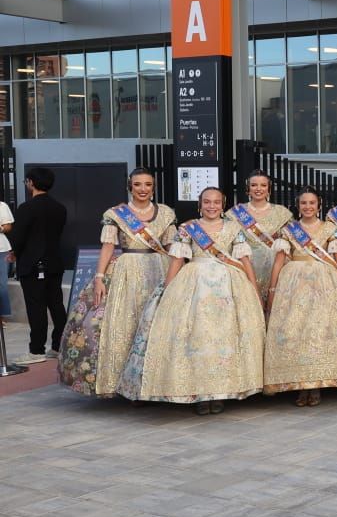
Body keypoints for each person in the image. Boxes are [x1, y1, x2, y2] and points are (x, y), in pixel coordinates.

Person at [116, 187, 264, 414]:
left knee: (223, 340)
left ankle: (220, 392)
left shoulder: (234, 228)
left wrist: (253, 287)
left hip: (229, 286)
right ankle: (199, 394)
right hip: (194, 285)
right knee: (197, 339)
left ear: (222, 205)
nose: (212, 206)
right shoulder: (188, 228)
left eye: (216, 202)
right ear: (200, 204)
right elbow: (177, 260)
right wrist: (168, 288)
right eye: (207, 202)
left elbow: (244, 260)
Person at [58, 169, 176, 397]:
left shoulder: (166, 214)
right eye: (138, 184)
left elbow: (171, 247)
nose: (143, 189)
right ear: (130, 187)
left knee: (155, 324)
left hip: (158, 269)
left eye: (148, 184)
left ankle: (153, 382)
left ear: (154, 187)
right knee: (125, 324)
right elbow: (108, 246)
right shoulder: (117, 214)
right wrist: (100, 277)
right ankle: (121, 384)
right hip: (125, 271)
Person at [264, 190, 337, 406]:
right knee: (296, 332)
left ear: (319, 205)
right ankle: (300, 385)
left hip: (324, 285)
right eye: (303, 203)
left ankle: (317, 384)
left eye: (312, 203)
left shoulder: (330, 229)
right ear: (298, 206)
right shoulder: (289, 230)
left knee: (319, 332)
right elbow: (278, 262)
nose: (308, 207)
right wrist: (272, 290)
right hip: (294, 285)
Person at [9, 167, 68, 364]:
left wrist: (14, 253)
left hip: (32, 264)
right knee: (57, 305)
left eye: (27, 181)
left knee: (36, 308)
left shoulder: (27, 208)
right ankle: (59, 346)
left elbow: (18, 237)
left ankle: (36, 350)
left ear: (31, 182)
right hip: (54, 263)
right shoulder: (60, 208)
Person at [229, 170, 293, 305]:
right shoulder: (234, 213)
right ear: (248, 188)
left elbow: (292, 242)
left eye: (263, 185)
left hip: (276, 268)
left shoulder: (282, 213)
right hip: (245, 267)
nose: (258, 189)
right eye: (254, 185)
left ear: (269, 188)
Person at [0, 192, 12, 320]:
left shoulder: (1, 206)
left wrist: (0, 228)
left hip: (1, 249)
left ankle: (1, 316)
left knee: (1, 284)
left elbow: (8, 227)